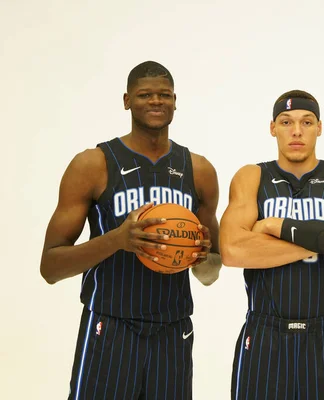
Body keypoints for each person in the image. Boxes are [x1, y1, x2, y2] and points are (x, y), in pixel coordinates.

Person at [39, 61, 221, 400]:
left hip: (173, 330)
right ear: (126, 101)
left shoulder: (200, 170)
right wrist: (117, 240)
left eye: (164, 95)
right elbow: (50, 267)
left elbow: (211, 274)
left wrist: (200, 259)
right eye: (145, 95)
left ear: (175, 101)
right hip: (110, 326)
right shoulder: (93, 164)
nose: (155, 101)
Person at [220, 90, 324, 399]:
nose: (297, 131)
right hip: (264, 333)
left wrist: (277, 227)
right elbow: (232, 250)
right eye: (286, 122)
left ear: (320, 127)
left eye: (307, 122)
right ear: (272, 127)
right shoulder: (252, 176)